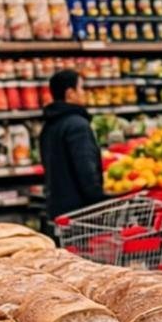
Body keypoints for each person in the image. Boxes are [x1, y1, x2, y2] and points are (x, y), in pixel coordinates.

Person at [40, 69, 105, 221]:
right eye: (81, 88)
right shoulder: (78, 125)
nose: (85, 93)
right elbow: (86, 169)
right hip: (81, 212)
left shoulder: (49, 125)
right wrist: (100, 201)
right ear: (70, 93)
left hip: (58, 208)